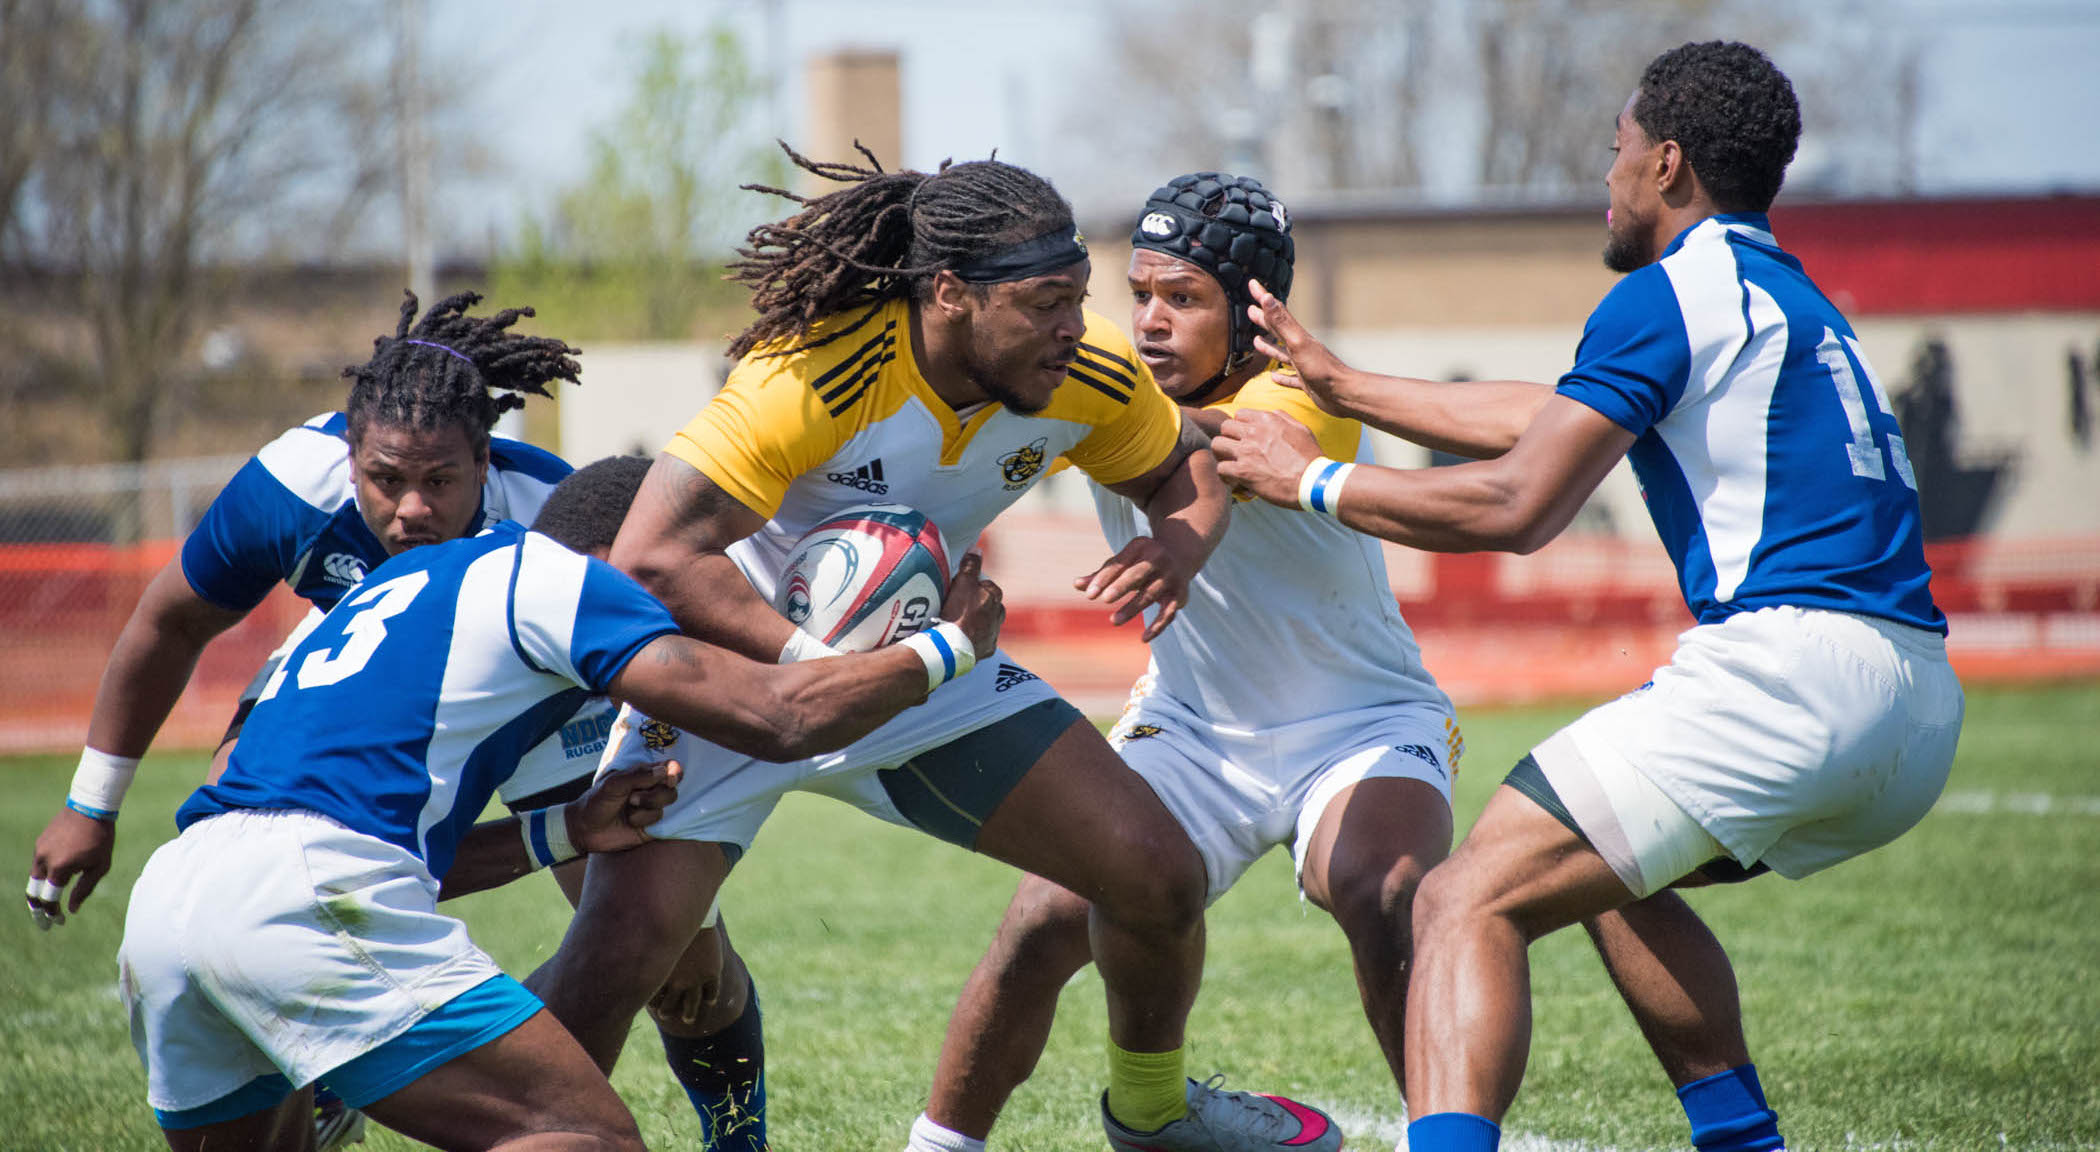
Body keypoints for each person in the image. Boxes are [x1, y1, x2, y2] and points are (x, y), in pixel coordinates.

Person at [1212, 41, 1964, 1152]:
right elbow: (1552, 416)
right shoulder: (1782, 294)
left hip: (1787, 675)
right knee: (1618, 866)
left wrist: (1310, 477)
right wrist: (1345, 383)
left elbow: (1521, 503)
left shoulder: (1668, 294)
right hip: (1915, 705)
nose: (1604, 177)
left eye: (1615, 152)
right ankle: (1741, 1139)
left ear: (1666, 164)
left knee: (1463, 899)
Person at [528, 147, 1334, 1152]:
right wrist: (820, 665)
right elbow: (652, 557)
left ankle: (1149, 1117)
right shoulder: (812, 372)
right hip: (740, 678)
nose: (1076, 330)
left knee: (1157, 877)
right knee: (619, 970)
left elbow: (1184, 473)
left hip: (933, 669)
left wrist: (1175, 551)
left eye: (1080, 299)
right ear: (950, 294)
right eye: (1045, 303)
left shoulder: (1082, 374)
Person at [112, 454, 1007, 1151]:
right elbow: (776, 717)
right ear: (627, 557)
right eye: (677, 576)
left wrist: (563, 830)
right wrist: (945, 651)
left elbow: (372, 841)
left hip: (173, 901)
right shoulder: (562, 582)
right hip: (298, 899)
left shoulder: (395, 585)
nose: (684, 598)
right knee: (579, 1138)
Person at [906, 173, 1456, 1152]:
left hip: (1365, 726)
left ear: (1253, 313)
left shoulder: (1299, 394)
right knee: (1044, 918)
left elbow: (1247, 442)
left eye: (1185, 298)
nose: (1151, 322)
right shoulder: (1091, 383)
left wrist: (1085, 401)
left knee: (1385, 888)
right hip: (1195, 729)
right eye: (1141, 295)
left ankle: (1445, 1137)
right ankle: (1017, 1137)